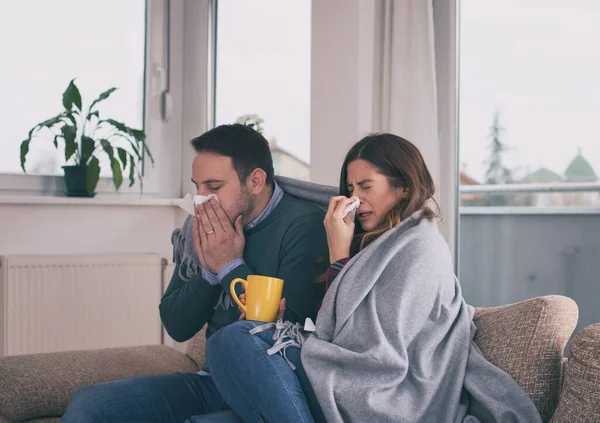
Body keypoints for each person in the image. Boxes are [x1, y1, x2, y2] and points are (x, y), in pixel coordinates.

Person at [205, 133, 543, 423]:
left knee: (234, 340)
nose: (355, 198)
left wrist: (339, 255)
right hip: (346, 376)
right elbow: (339, 332)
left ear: (403, 186)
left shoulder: (420, 245)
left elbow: (374, 353)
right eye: (351, 188)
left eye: (367, 186)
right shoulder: (377, 245)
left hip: (383, 393)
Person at [61, 124, 330, 423]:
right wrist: (208, 272)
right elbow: (176, 325)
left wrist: (229, 266)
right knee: (90, 403)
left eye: (213, 187)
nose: (200, 200)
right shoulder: (199, 228)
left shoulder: (304, 226)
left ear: (255, 181)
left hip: (268, 391)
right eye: (197, 186)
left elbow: (284, 337)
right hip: (211, 382)